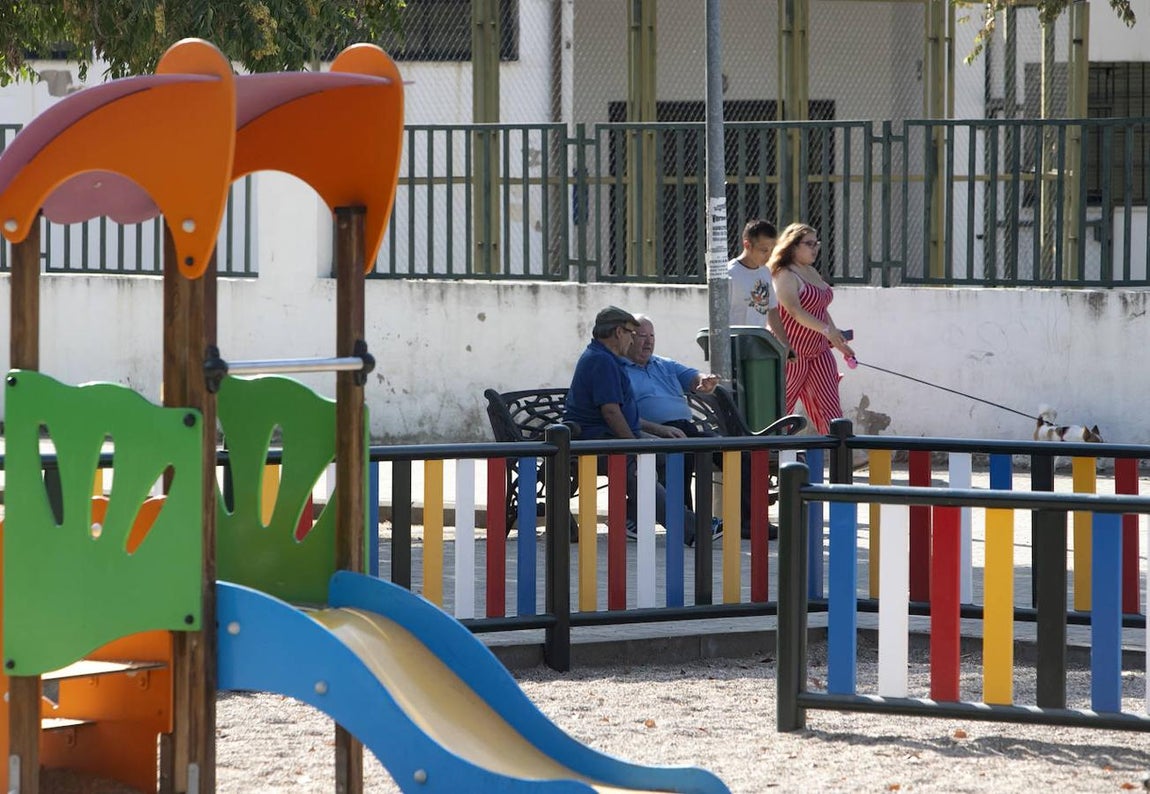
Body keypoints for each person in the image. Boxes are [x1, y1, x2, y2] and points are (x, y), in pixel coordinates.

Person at [623, 315, 773, 540]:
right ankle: (688, 525)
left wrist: (703, 381)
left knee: (740, 454)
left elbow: (693, 377)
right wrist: (658, 430)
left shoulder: (664, 364)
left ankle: (749, 522)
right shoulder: (619, 370)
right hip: (653, 432)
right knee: (680, 452)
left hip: (686, 428)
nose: (648, 342)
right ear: (629, 338)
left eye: (652, 336)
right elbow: (622, 414)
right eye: (642, 336)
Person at [564, 306, 700, 546]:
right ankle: (692, 528)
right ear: (619, 332)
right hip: (596, 441)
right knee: (640, 466)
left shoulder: (607, 359)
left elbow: (622, 411)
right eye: (631, 333)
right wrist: (634, 447)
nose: (633, 339)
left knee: (668, 453)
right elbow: (611, 412)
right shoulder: (601, 361)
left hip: (608, 437)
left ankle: (633, 519)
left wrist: (654, 433)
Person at [769, 223, 854, 435]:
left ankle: (840, 449)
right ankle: (768, 450)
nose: (815, 248)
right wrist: (827, 330)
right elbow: (795, 311)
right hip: (792, 353)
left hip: (818, 351)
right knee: (780, 411)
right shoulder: (784, 274)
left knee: (831, 409)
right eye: (809, 244)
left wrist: (837, 340)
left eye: (817, 243)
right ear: (793, 245)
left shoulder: (812, 271)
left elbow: (820, 309)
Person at [728, 219, 789, 351]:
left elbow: (772, 310)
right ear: (747, 245)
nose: (769, 255)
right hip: (735, 346)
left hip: (758, 346)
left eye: (772, 250)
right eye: (764, 250)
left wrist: (785, 344)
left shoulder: (765, 272)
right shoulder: (730, 273)